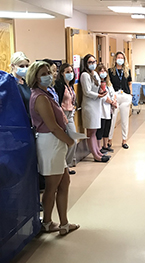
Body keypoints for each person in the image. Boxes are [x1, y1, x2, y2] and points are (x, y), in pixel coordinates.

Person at [27, 61, 79, 235]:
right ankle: (48, 222)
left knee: (64, 182)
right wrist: (70, 141)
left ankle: (64, 223)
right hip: (51, 143)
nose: (48, 75)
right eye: (43, 73)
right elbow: (53, 126)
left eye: (48, 71)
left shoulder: (46, 93)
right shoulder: (39, 97)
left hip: (54, 142)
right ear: (35, 78)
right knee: (52, 186)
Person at [80, 54, 109, 162]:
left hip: (96, 105)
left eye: (94, 62)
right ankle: (95, 156)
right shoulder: (84, 75)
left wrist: (101, 92)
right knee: (91, 131)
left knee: (95, 130)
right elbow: (87, 91)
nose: (92, 64)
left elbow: (97, 87)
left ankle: (98, 152)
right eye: (90, 62)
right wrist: (98, 95)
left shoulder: (95, 74)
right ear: (86, 64)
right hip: (89, 106)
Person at [54, 63, 78, 172]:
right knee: (69, 140)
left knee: (74, 140)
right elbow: (57, 102)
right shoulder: (59, 86)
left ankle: (67, 164)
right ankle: (65, 166)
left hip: (70, 114)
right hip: (62, 115)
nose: (70, 74)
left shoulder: (71, 86)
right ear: (62, 73)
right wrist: (62, 115)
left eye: (71, 71)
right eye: (67, 72)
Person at [108, 51, 132, 149]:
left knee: (125, 119)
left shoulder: (127, 71)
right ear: (115, 59)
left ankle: (124, 140)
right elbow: (109, 83)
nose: (120, 59)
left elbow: (130, 82)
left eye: (122, 57)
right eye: (118, 57)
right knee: (112, 119)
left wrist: (130, 93)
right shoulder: (110, 71)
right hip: (115, 96)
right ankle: (109, 140)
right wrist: (112, 95)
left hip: (125, 95)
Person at [96, 64, 116, 153]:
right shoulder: (97, 83)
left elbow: (113, 93)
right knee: (101, 128)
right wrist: (112, 102)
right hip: (101, 109)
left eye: (104, 71)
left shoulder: (108, 83)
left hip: (109, 109)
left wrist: (114, 101)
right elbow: (104, 97)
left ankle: (105, 145)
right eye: (101, 71)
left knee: (107, 127)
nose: (103, 73)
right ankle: (98, 147)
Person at [9, 51, 31, 119]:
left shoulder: (27, 83)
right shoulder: (8, 82)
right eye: (21, 66)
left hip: (29, 121)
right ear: (12, 65)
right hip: (16, 122)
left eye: (27, 66)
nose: (25, 68)